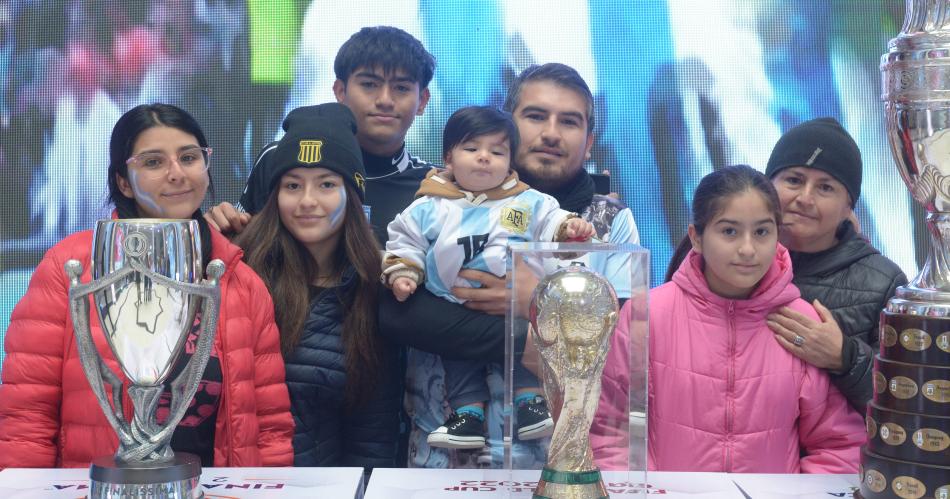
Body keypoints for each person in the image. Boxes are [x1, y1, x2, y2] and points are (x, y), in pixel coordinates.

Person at [0, 103, 294, 468]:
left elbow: (269, 426)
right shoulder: (70, 269)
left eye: (189, 157)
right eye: (153, 162)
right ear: (123, 180)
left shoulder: (240, 280)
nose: (177, 174)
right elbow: (26, 417)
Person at [382, 106, 594, 449]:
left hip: (516, 311)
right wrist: (404, 272)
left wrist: (569, 228)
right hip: (452, 310)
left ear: (510, 161)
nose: (484, 159)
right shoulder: (429, 205)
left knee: (524, 344)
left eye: (496, 152)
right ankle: (468, 417)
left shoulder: (528, 201)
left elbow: (551, 221)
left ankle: (531, 406)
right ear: (449, 157)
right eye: (472, 150)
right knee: (459, 362)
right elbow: (406, 240)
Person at [636, 164, 864, 473]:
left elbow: (840, 446)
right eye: (729, 231)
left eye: (761, 232)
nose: (747, 249)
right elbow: (613, 435)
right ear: (697, 237)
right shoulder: (647, 316)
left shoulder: (802, 323)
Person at [233, 102, 402, 468]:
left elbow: (371, 436)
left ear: (352, 195)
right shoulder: (240, 273)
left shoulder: (375, 285)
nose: (307, 201)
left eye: (326, 184)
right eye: (292, 185)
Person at [209, 25, 436, 245]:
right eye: (369, 84)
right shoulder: (280, 158)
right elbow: (242, 241)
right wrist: (221, 225)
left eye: (401, 88)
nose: (385, 100)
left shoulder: (436, 187)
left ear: (422, 101)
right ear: (340, 91)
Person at [763, 117, 907, 415]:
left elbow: (906, 403)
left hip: (839, 459)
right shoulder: (733, 264)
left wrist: (845, 358)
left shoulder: (883, 282)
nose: (804, 198)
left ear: (848, 208)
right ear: (767, 187)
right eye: (793, 180)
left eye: (825, 187)